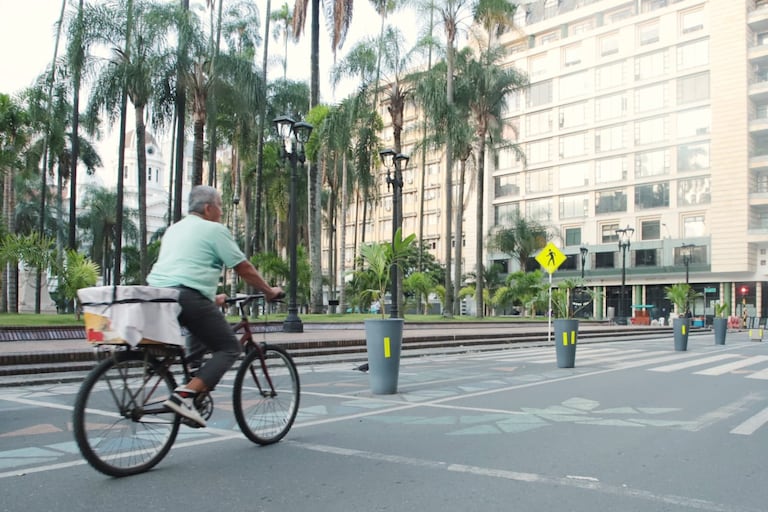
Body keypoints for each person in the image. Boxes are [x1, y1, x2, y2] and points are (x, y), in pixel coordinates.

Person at [147, 185, 283, 427]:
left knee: (197, 338)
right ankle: (186, 395)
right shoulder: (213, 229)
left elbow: (180, 272)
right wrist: (269, 291)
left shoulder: (173, 229)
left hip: (159, 296)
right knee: (229, 348)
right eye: (219, 206)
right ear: (208, 208)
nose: (221, 212)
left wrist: (211, 298)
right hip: (188, 298)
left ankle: (193, 382)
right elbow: (243, 267)